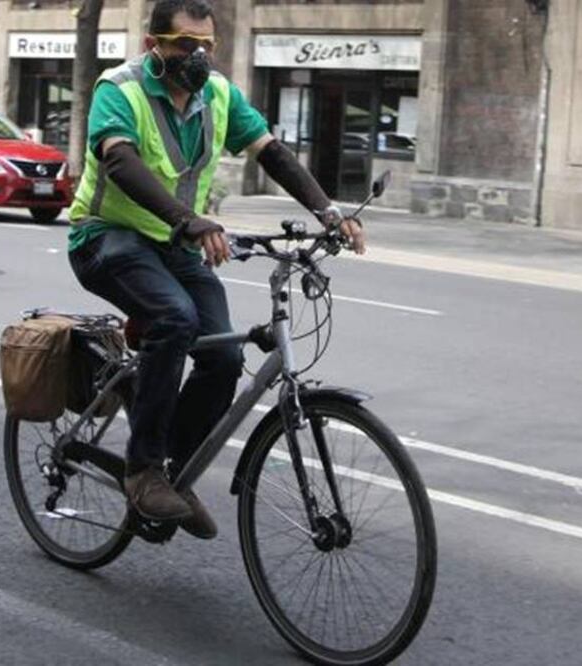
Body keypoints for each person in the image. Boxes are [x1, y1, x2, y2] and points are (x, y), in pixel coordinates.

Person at [67, 0, 365, 539]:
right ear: (152, 44)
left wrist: (327, 210)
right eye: (185, 44)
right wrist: (190, 221)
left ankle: (172, 477)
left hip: (175, 245)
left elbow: (271, 152)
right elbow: (120, 161)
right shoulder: (121, 89)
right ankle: (143, 471)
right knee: (176, 319)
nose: (197, 57)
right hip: (106, 238)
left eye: (207, 46)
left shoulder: (219, 95)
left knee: (224, 357)